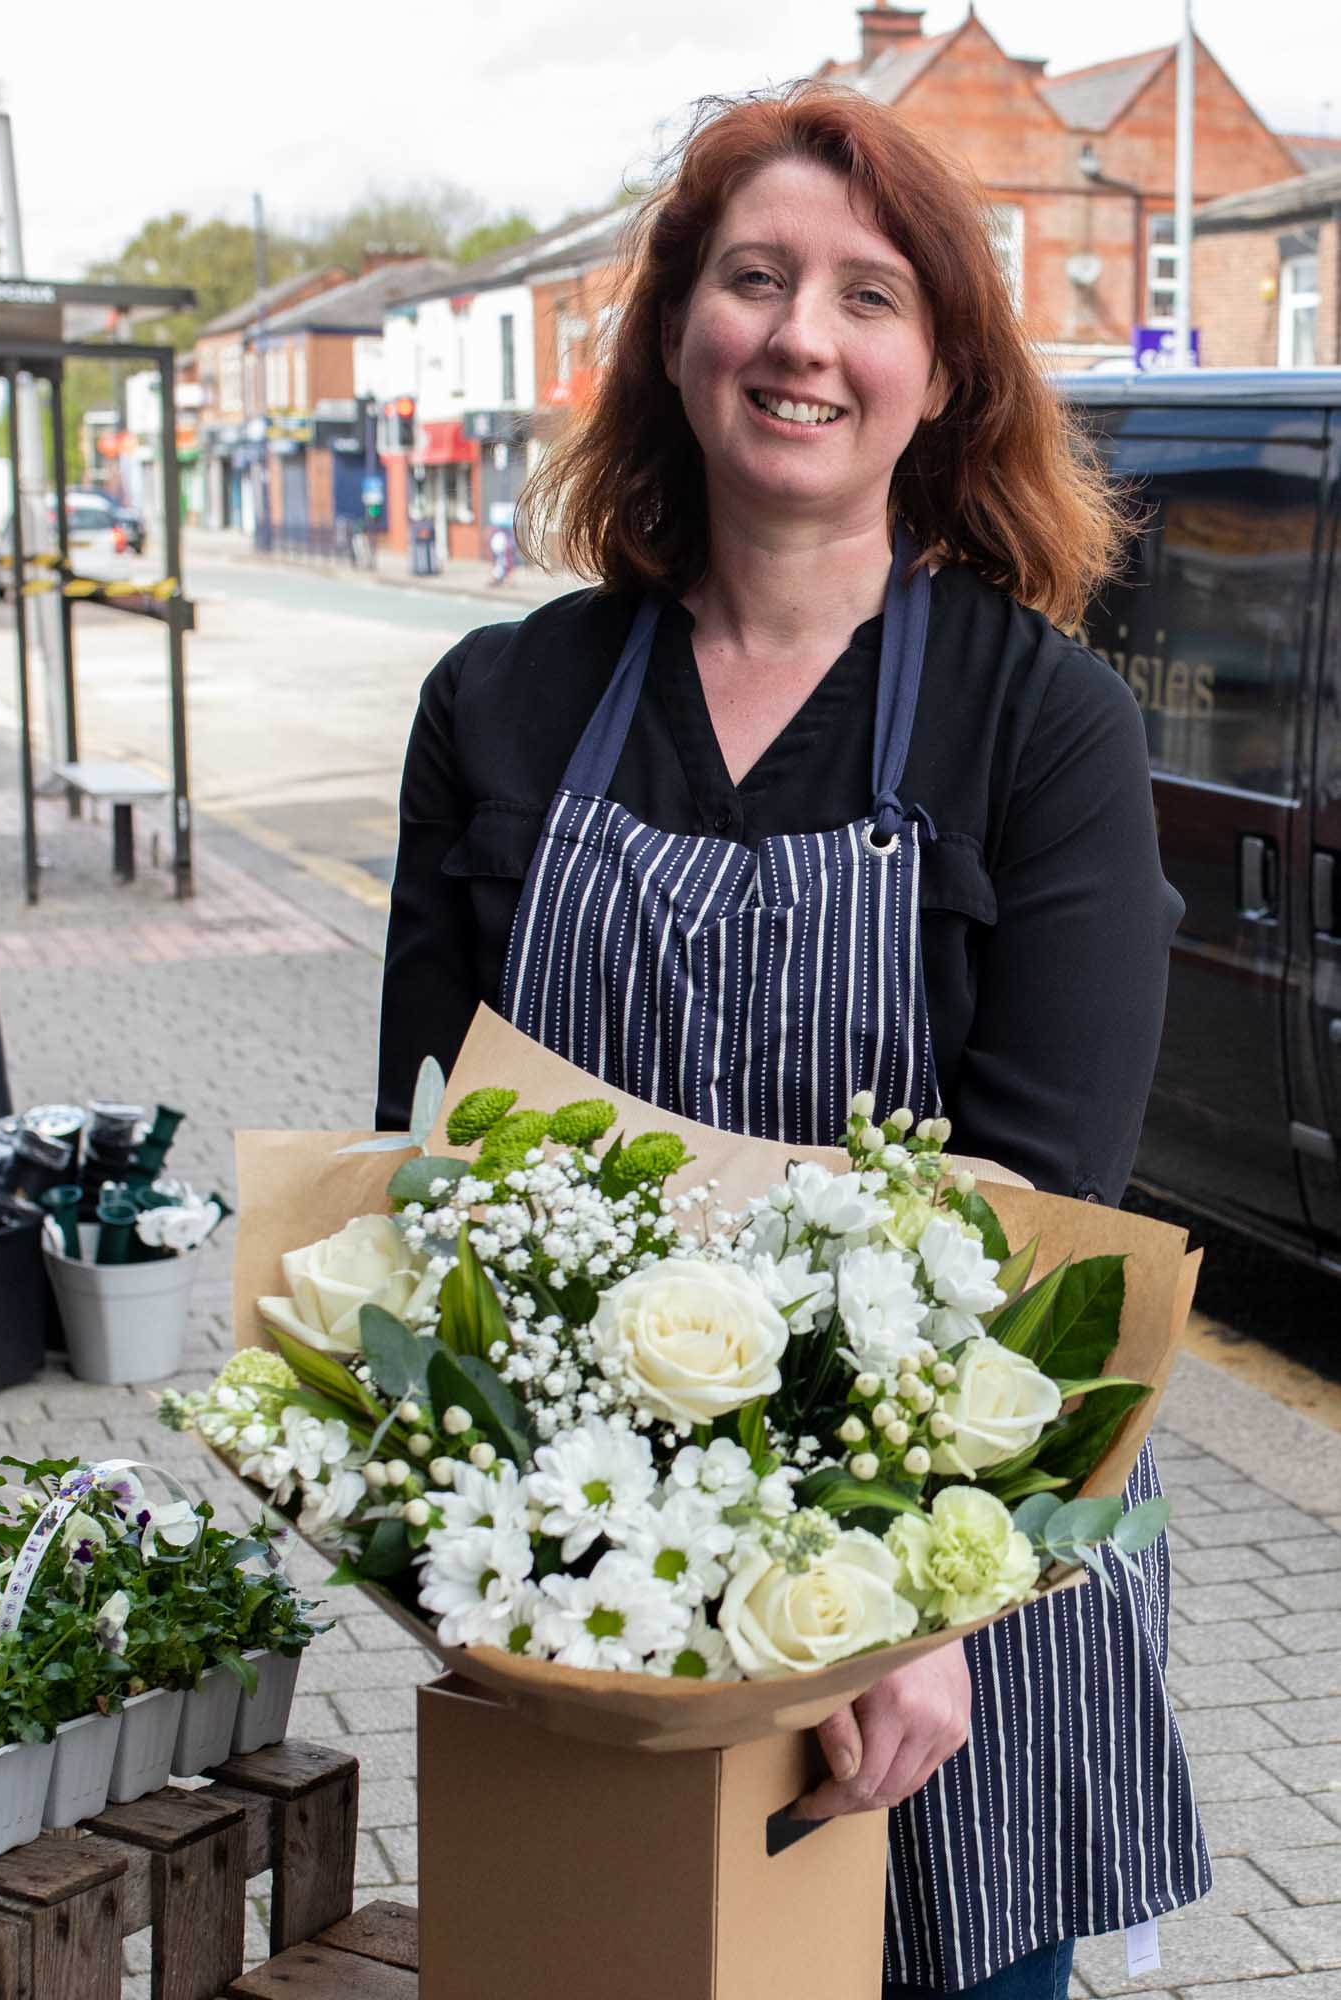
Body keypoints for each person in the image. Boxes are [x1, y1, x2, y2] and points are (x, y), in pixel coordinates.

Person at [376, 83, 1209, 1999]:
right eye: (753, 279)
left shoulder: (1041, 725)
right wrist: (477, 1538)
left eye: (868, 294)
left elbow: (1041, 1220)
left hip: (942, 1629)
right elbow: (427, 1182)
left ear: (943, 372)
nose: (802, 338)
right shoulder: (502, 706)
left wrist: (897, 1608)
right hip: (597, 1585)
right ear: (676, 334)